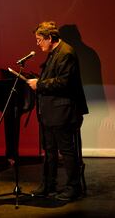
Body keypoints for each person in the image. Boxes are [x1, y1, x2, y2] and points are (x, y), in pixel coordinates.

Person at [27, 21, 88, 201]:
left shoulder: (66, 53)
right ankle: (48, 184)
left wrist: (39, 84)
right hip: (51, 111)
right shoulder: (55, 52)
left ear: (51, 38)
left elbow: (64, 82)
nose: (38, 44)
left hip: (63, 110)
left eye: (40, 40)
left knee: (67, 151)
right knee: (50, 149)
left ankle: (73, 187)